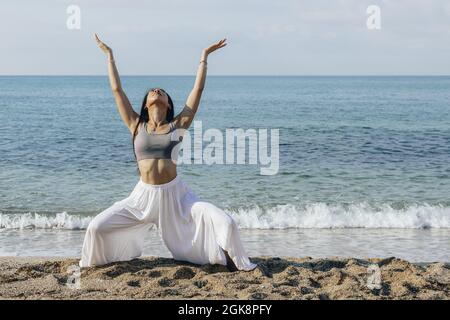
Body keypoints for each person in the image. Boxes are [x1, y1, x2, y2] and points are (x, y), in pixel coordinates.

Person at [78, 34, 257, 272]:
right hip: (141, 198)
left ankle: (234, 260)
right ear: (146, 104)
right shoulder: (135, 125)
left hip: (176, 197)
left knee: (226, 221)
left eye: (161, 91)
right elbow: (116, 90)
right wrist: (109, 55)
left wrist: (204, 56)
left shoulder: (178, 125)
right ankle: (93, 266)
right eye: (153, 91)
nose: (156, 91)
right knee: (96, 228)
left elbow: (198, 89)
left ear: (168, 104)